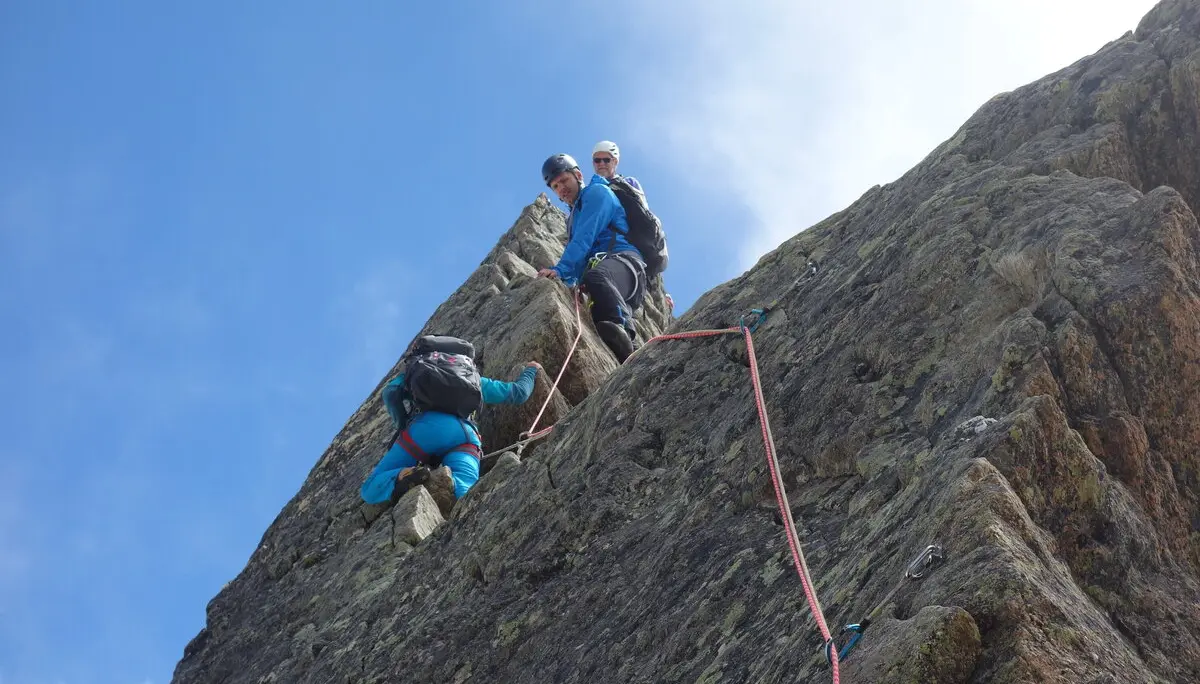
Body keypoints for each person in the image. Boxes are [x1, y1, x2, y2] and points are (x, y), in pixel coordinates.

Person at [360, 341, 542, 506]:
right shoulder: (472, 377)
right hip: (465, 436)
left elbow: (390, 393)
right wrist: (531, 370)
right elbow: (519, 394)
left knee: (369, 489)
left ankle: (404, 474)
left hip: (425, 429)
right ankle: (457, 493)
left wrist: (403, 425)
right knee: (465, 492)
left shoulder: (417, 368)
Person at [538, 153, 646, 363]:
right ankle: (625, 359)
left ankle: (628, 335)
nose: (561, 189)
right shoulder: (574, 217)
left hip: (626, 264)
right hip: (611, 279)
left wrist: (559, 271)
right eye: (555, 186)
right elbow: (582, 256)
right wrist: (571, 284)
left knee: (597, 277)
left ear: (578, 175)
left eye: (564, 180)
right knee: (599, 320)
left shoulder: (597, 193)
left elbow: (584, 238)